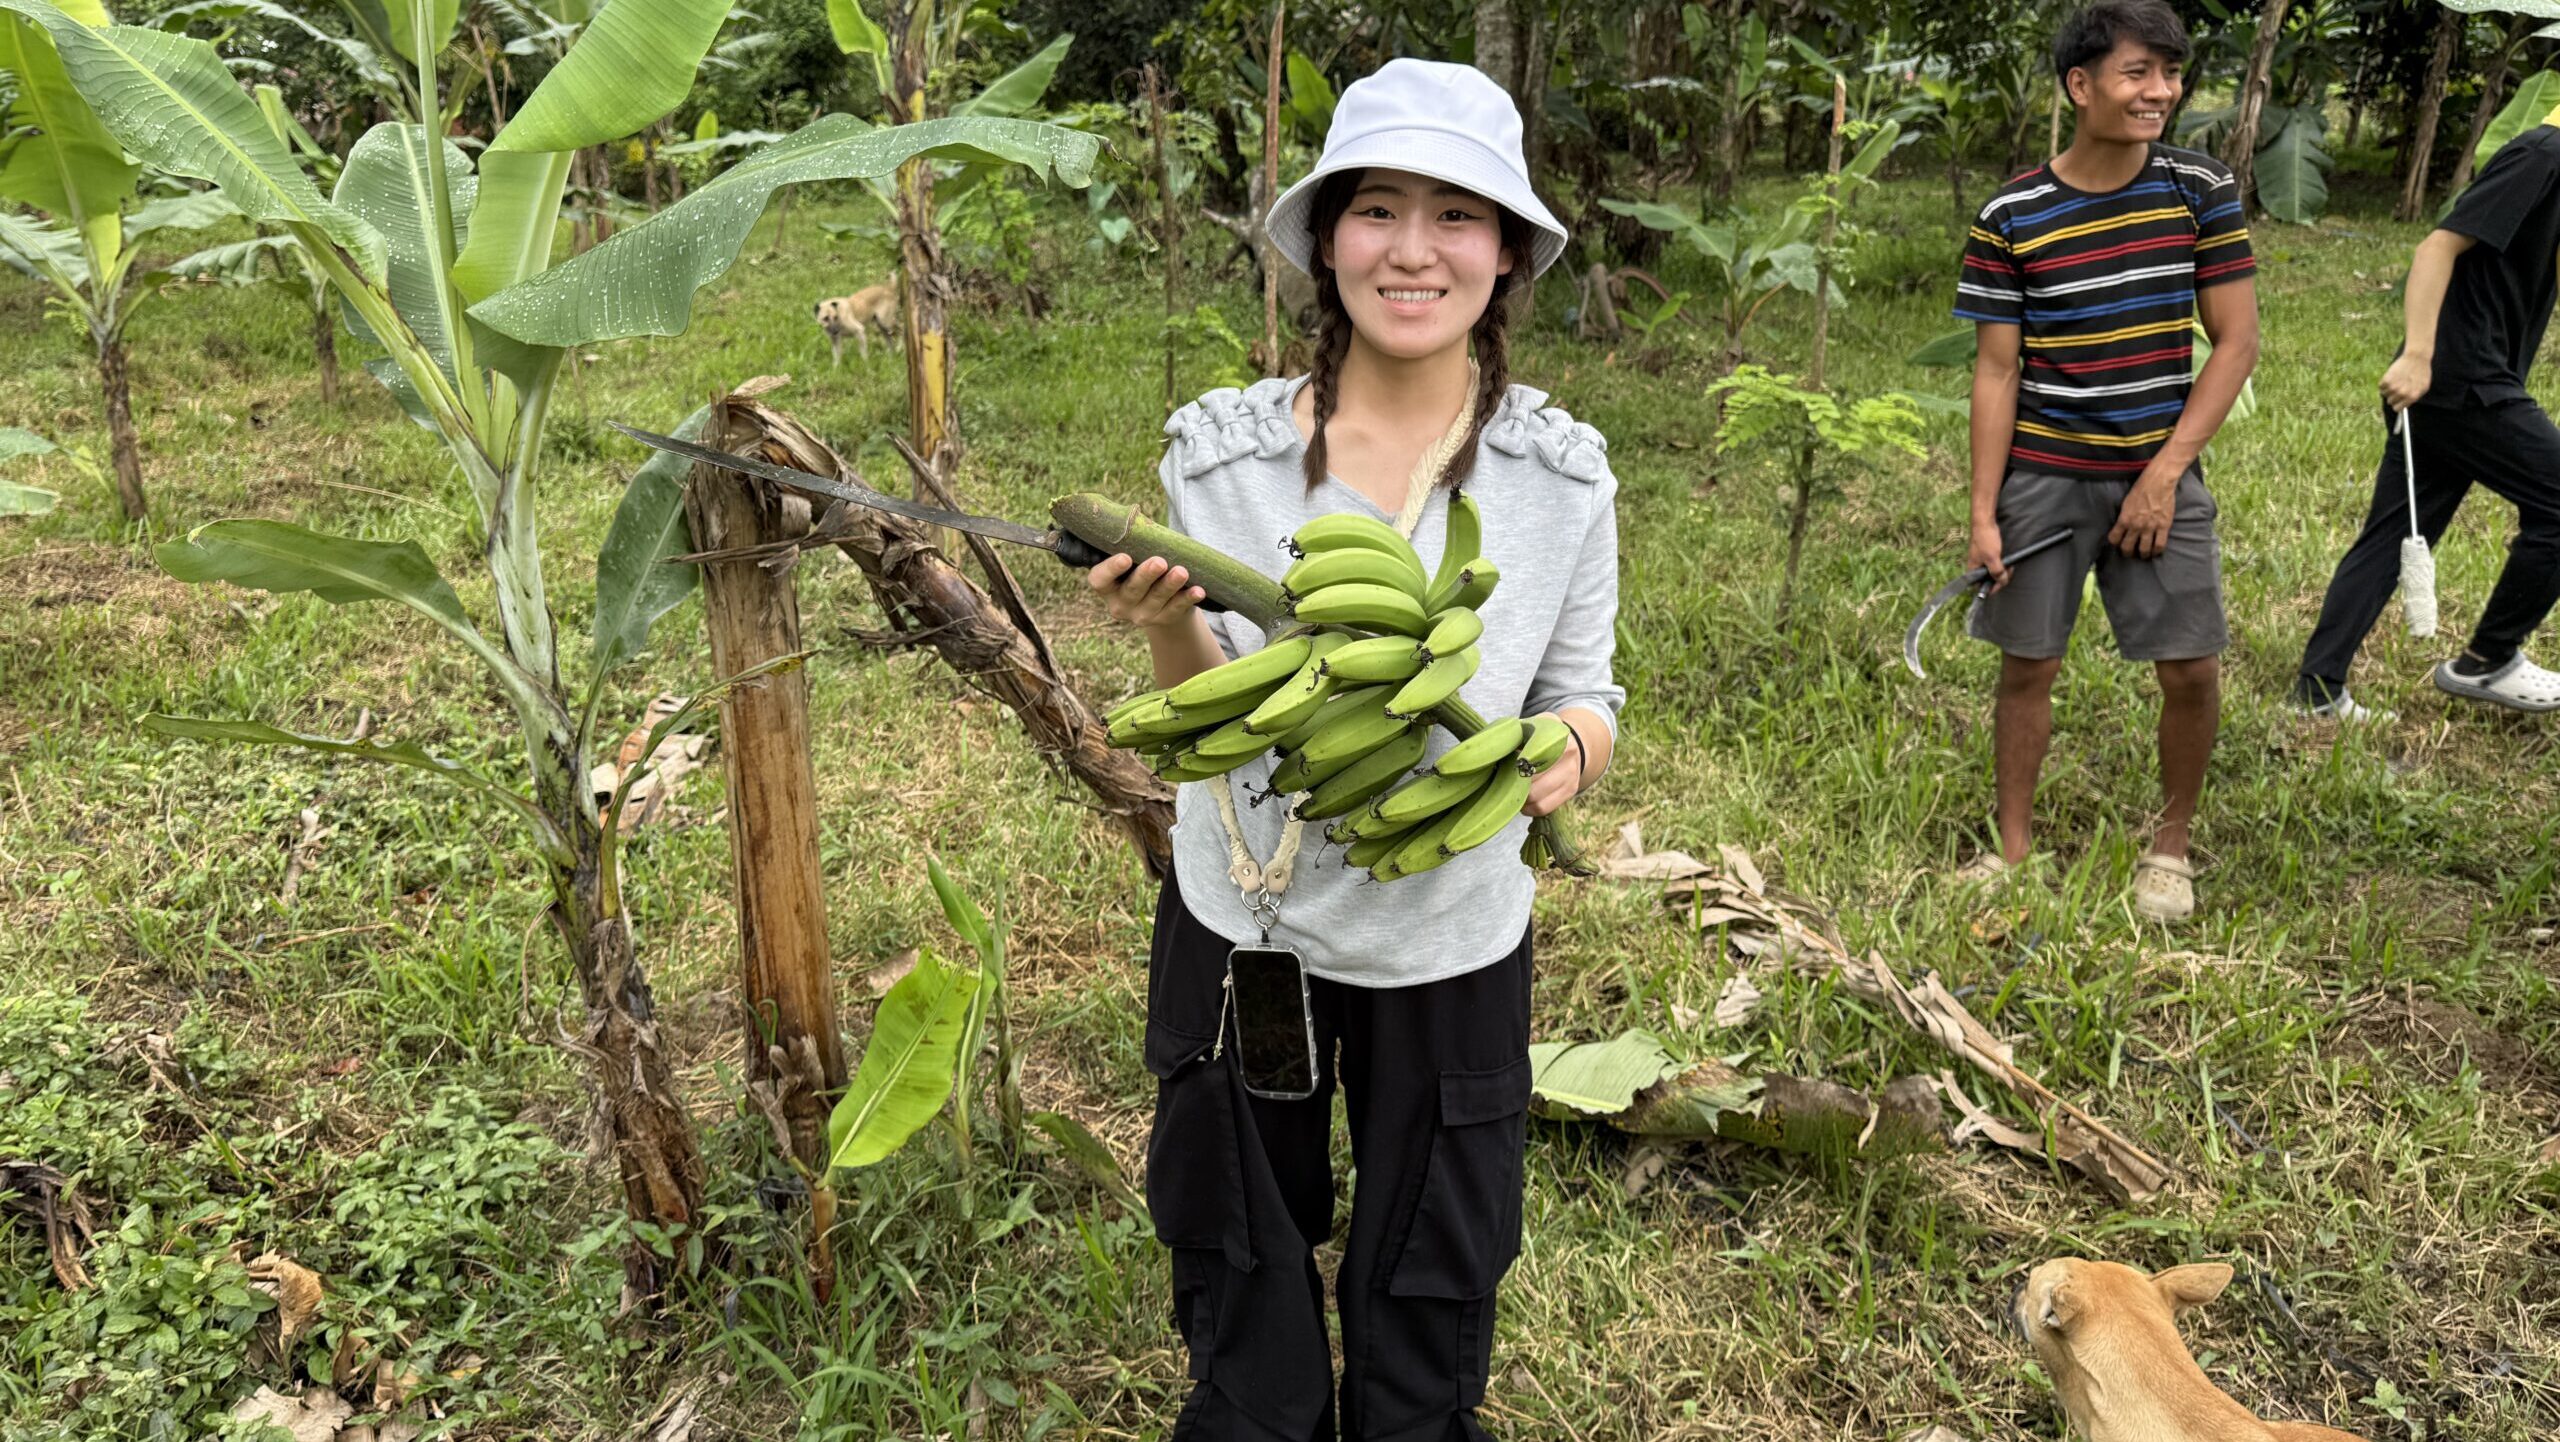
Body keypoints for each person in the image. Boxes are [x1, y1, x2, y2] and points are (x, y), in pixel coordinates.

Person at [1083, 57, 1623, 1442]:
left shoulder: (1559, 479)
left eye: (1457, 215)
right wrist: (1162, 633)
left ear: (1504, 254)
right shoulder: (1222, 459)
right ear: (1328, 239)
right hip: (1247, 920)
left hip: (1451, 929)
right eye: (1378, 208)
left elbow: (1586, 692)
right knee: (1234, 1233)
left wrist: (1565, 745)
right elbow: (1213, 712)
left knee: (1437, 1247)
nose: (1414, 249)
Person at [1951, 0, 2258, 924]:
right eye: (2137, 73)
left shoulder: (2199, 189)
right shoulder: (2012, 214)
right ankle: (2013, 850)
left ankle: (2170, 850)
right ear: (2081, 85)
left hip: (2160, 470)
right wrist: (1982, 510)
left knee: (2192, 668)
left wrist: (2164, 475)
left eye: (2169, 73)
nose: (2159, 91)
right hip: (2043, 476)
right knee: (2026, 666)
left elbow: (2235, 344)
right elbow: (1998, 371)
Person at [2292, 116, 2560, 717]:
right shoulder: (2544, 151)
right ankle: (2490, 661)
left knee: (2391, 536)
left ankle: (2317, 689)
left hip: (2460, 383)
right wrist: (2417, 355)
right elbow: (2437, 246)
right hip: (2462, 380)